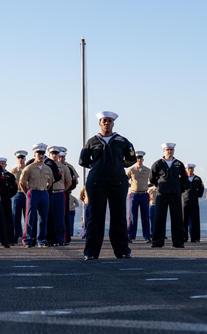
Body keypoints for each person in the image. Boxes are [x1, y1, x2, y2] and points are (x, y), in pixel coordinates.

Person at [78, 111, 137, 259]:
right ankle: (91, 253)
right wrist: (98, 167)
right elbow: (83, 160)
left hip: (117, 182)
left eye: (109, 121)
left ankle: (122, 251)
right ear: (99, 123)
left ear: (113, 124)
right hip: (96, 182)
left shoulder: (122, 141)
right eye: (104, 121)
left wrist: (117, 165)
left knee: (119, 217)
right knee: (95, 217)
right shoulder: (92, 141)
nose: (107, 123)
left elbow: (131, 159)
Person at [149, 142, 189, 248]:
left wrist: (179, 188)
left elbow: (184, 179)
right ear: (164, 151)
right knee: (159, 218)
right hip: (162, 194)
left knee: (177, 219)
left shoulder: (179, 164)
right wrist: (160, 185)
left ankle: (178, 242)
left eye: (171, 150)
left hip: (175, 194)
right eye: (167, 150)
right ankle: (157, 242)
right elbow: (152, 178)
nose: (169, 151)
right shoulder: (158, 164)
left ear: (174, 151)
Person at [19, 145, 54, 247]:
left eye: (43, 154)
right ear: (34, 155)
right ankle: (27, 239)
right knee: (30, 217)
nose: (41, 156)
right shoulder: (29, 168)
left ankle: (41, 240)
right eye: (39, 154)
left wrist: (45, 189)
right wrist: (27, 193)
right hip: (33, 192)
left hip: (44, 192)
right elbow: (22, 182)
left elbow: (50, 182)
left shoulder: (47, 168)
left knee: (44, 218)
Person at [46, 146, 72, 246]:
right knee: (48, 217)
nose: (54, 156)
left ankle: (60, 239)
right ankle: (49, 239)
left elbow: (69, 182)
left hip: (59, 193)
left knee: (60, 217)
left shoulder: (64, 167)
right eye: (52, 154)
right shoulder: (45, 166)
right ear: (49, 155)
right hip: (48, 193)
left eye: (56, 154)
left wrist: (62, 190)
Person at [126, 151, 152, 243]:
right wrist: (132, 186)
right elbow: (125, 179)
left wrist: (146, 186)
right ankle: (131, 236)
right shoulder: (131, 170)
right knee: (133, 216)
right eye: (138, 158)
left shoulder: (148, 170)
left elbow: (153, 180)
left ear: (143, 159)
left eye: (140, 158)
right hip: (134, 194)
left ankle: (147, 236)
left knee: (145, 216)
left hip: (144, 194)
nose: (139, 160)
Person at [57, 150, 79, 243]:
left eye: (62, 157)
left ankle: (65, 237)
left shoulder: (69, 167)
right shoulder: (52, 165)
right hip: (57, 191)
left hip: (64, 192)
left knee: (64, 215)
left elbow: (75, 181)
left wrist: (66, 189)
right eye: (60, 157)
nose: (61, 159)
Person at [0, 156, 18, 245]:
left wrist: (9, 195)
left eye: (3, 164)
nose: (1, 165)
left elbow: (14, 188)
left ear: (5, 165)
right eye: (0, 164)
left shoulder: (10, 176)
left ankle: (9, 239)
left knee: (8, 219)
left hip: (6, 200)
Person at [182, 164, 205, 242]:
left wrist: (198, 195)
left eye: (191, 168)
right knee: (184, 220)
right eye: (188, 168)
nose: (190, 170)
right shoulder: (183, 178)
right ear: (186, 169)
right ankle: (184, 237)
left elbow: (201, 188)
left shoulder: (197, 179)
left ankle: (195, 238)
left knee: (195, 220)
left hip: (194, 201)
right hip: (184, 201)